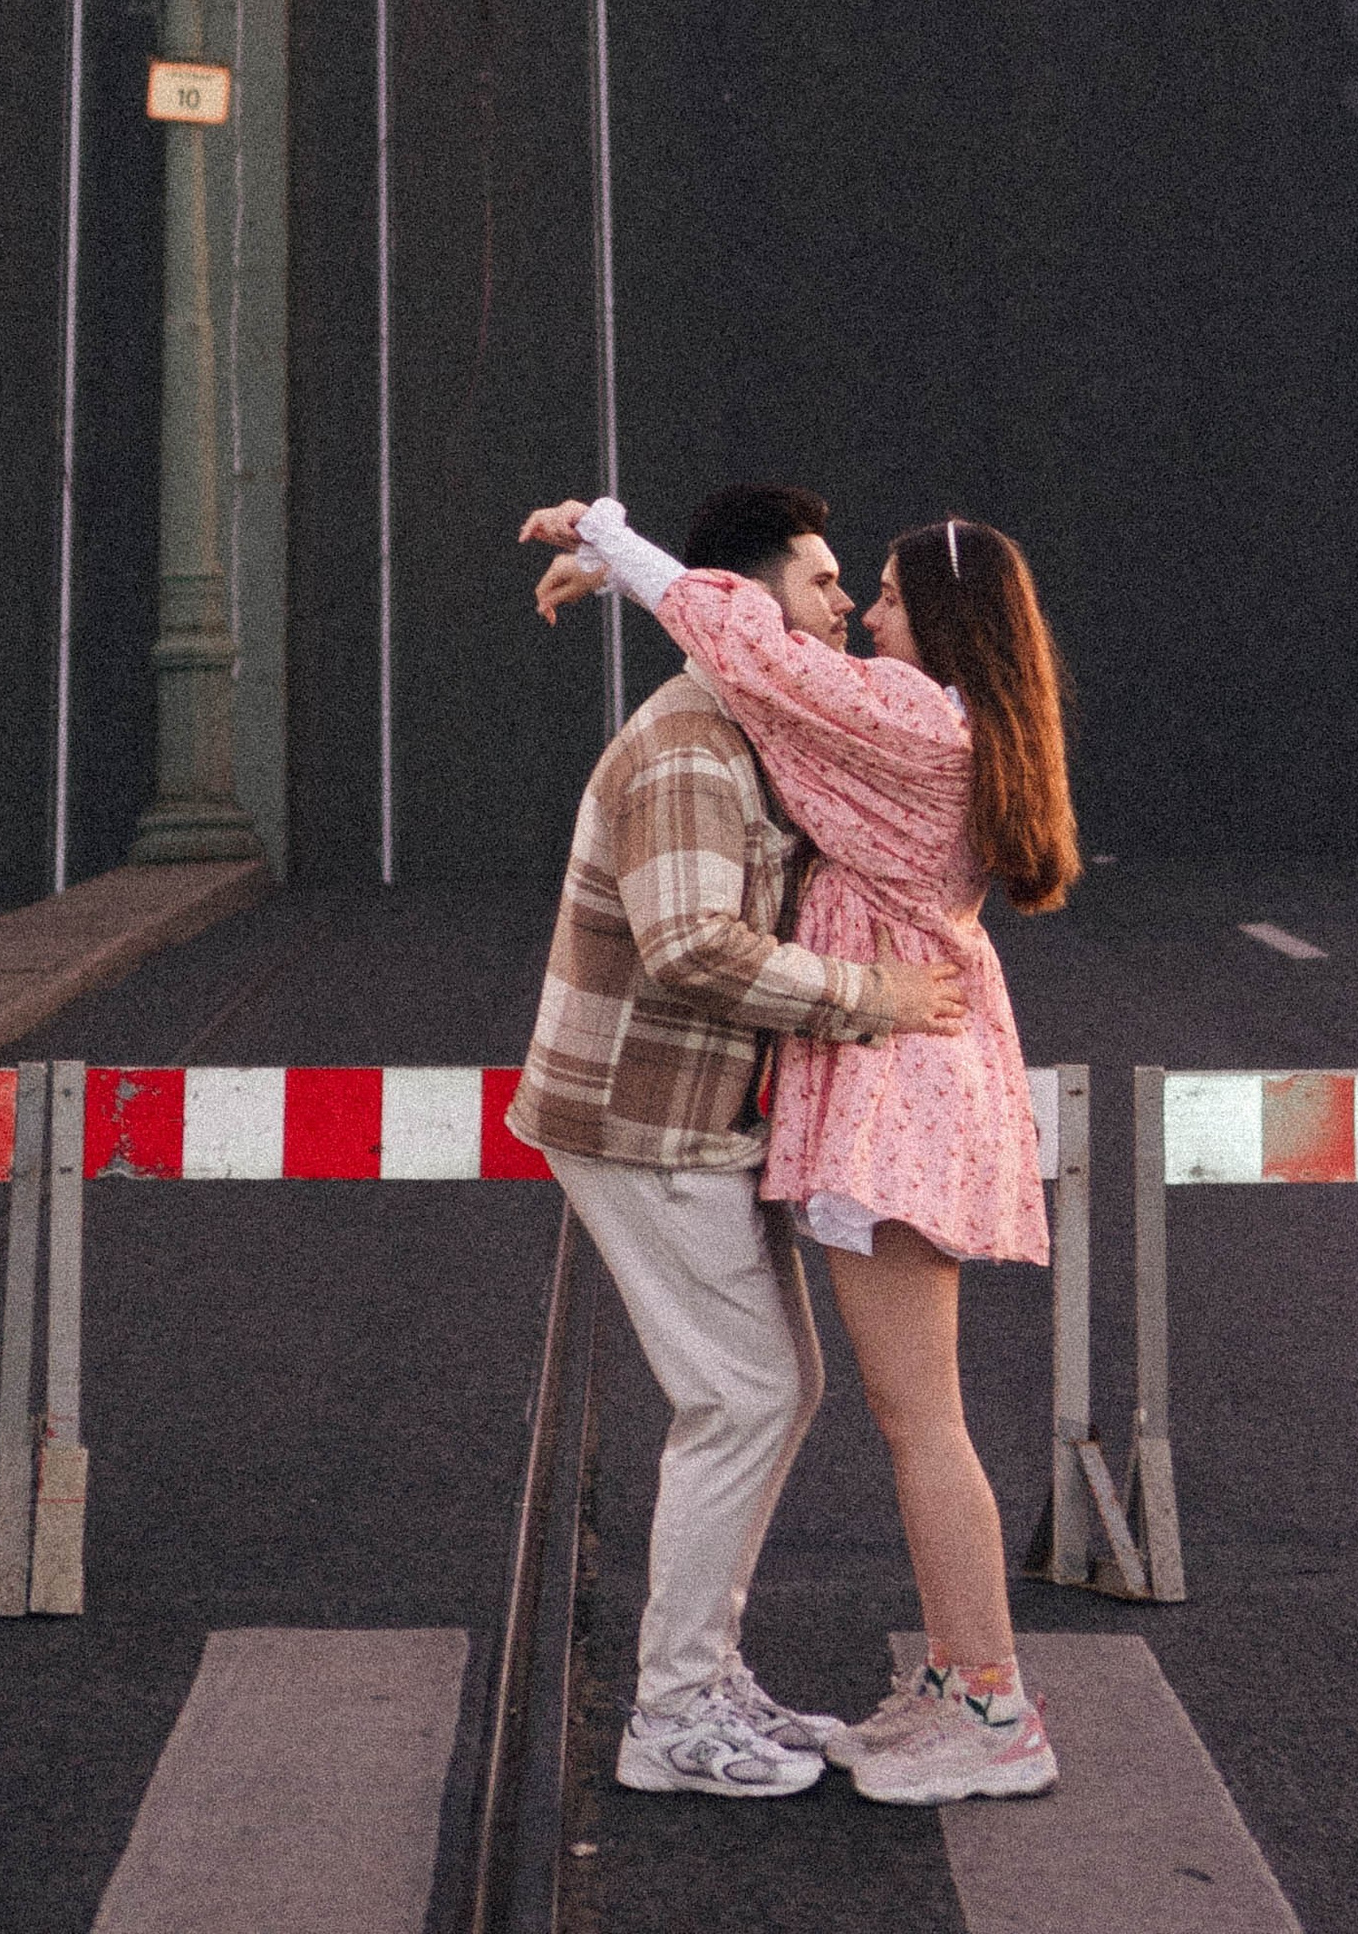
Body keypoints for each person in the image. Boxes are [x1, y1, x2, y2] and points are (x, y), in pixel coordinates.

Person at [526, 487, 1080, 1808]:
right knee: (835, 1403)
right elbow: (749, 649)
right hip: (870, 1080)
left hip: (899, 1088)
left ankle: (990, 1707)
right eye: (839, 585)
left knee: (914, 1420)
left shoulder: (904, 720)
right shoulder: (890, 728)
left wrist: (610, 540)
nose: (856, 611)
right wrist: (624, 570)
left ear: (936, 620)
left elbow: (754, 646)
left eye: (879, 592)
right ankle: (948, 1684)